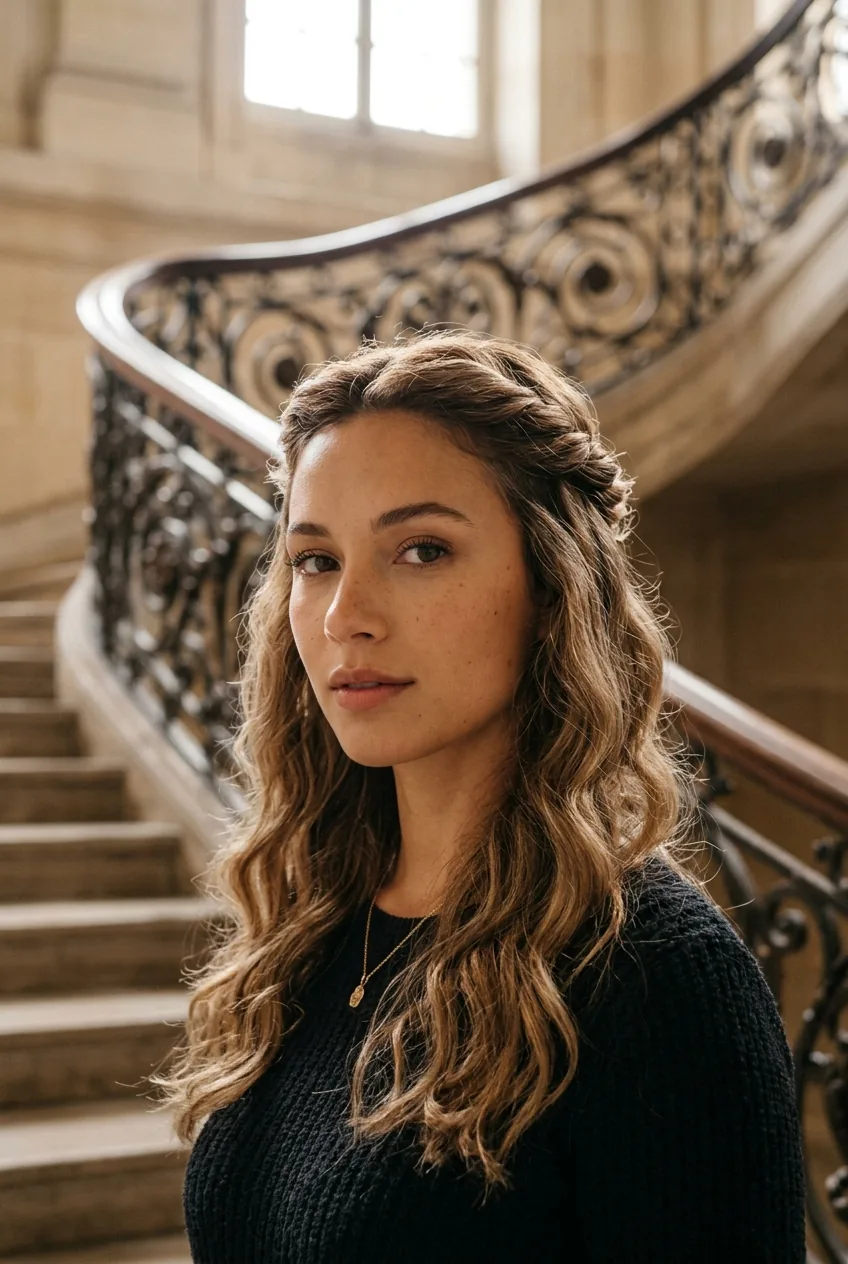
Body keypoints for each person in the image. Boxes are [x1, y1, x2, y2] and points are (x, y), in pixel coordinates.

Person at [154, 328, 807, 1262]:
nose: (346, 618)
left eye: (421, 550)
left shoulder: (653, 974)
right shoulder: (311, 923)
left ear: (550, 585)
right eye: (315, 559)